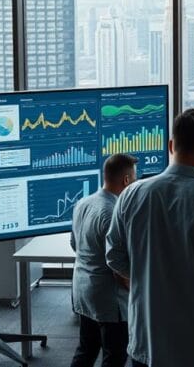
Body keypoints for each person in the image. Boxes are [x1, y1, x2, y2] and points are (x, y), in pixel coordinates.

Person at [106, 109, 194, 367]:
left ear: (171, 146)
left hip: (147, 345)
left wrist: (146, 279)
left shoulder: (131, 196)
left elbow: (114, 256)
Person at [69, 153, 137, 367]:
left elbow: (74, 244)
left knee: (86, 350)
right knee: (114, 356)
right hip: (109, 299)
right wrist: (137, 292)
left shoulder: (83, 203)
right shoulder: (114, 212)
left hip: (83, 290)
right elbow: (118, 266)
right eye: (134, 178)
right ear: (126, 180)